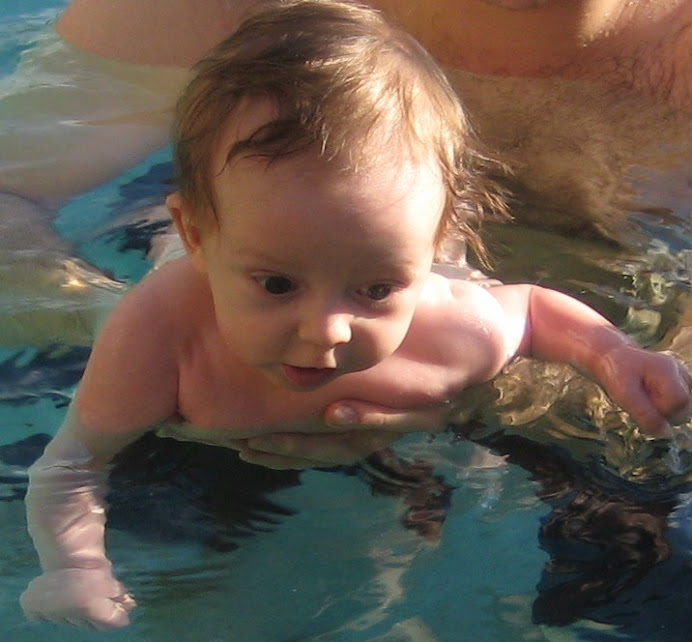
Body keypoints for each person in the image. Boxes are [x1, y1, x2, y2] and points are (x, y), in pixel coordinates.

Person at [19, 0, 691, 630]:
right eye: (278, 283)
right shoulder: (160, 331)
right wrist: (75, 566)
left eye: (374, 291)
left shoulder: (449, 319)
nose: (327, 331)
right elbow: (72, 464)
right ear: (194, 236)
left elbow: (534, 314)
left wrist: (608, 358)